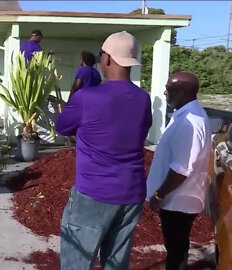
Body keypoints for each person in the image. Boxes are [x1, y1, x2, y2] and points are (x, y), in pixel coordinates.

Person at [56, 31, 152, 269]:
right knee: (117, 263)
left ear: (107, 58)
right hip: (132, 192)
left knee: (77, 262)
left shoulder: (87, 97)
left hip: (94, 193)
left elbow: (62, 126)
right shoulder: (143, 98)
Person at [147, 72, 211, 270]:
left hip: (178, 200)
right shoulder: (186, 116)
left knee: (176, 251)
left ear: (183, 92)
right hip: (179, 199)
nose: (165, 92)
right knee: (177, 248)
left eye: (169, 88)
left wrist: (159, 194)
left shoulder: (189, 123)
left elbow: (181, 169)